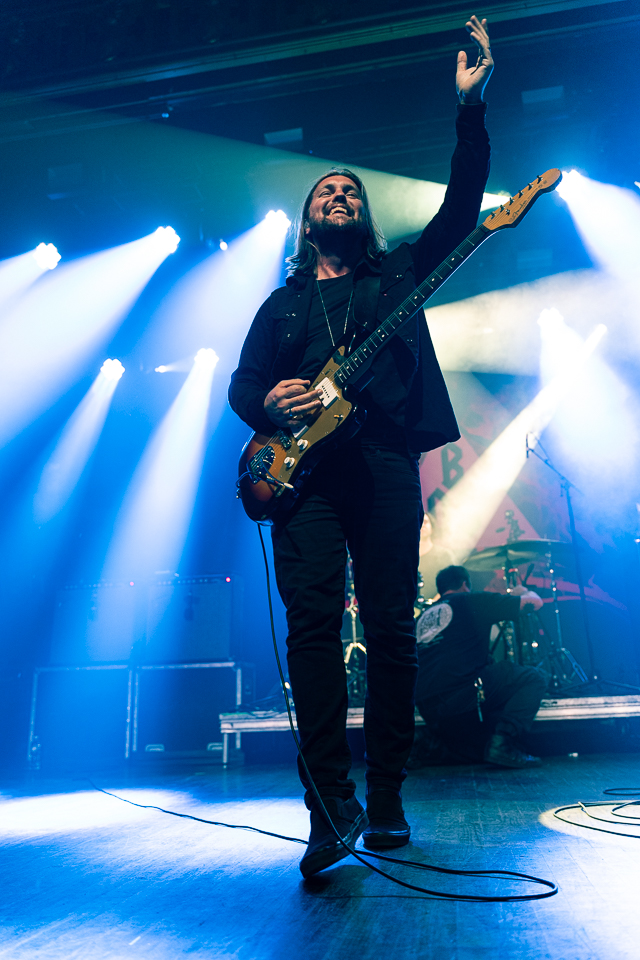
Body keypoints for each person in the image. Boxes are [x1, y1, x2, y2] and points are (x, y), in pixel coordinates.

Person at [228, 16, 494, 878]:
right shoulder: (283, 306)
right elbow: (240, 388)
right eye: (324, 196)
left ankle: (384, 800)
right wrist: (267, 400)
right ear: (307, 224)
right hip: (300, 482)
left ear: (364, 217)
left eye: (349, 194)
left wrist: (470, 110)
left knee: (390, 633)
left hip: (381, 467)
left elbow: (461, 211)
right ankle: (325, 806)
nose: (338, 198)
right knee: (311, 634)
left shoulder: (397, 278)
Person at [413, 565, 547, 768]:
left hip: (427, 707)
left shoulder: (422, 618)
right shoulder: (472, 600)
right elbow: (534, 604)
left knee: (473, 748)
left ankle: (430, 742)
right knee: (533, 677)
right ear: (465, 584)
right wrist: (523, 592)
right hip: (463, 694)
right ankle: (503, 744)